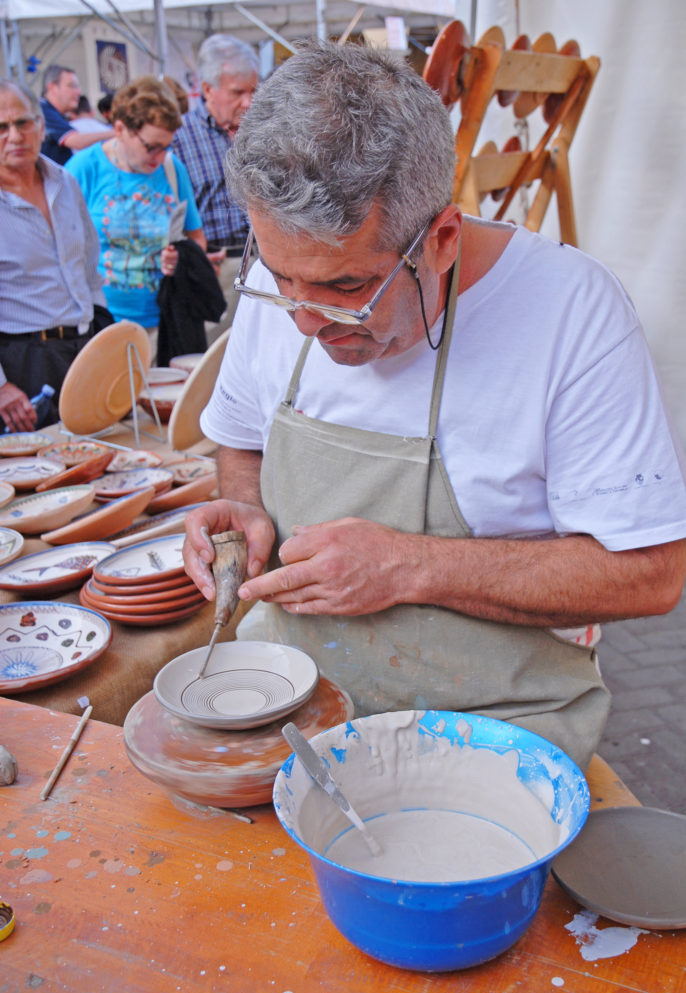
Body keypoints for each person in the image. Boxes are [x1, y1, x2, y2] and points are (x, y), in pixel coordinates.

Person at [182, 41, 686, 771]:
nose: (304, 321)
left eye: (349, 290)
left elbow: (652, 573)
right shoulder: (291, 279)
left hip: (493, 735)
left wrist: (413, 567)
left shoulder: (571, 312)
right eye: (283, 281)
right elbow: (238, 441)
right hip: (292, 705)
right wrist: (246, 509)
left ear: (442, 238)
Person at [66, 76, 205, 359]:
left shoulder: (170, 168)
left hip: (165, 323)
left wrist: (182, 258)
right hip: (103, 326)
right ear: (120, 129)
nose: (159, 156)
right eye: (150, 147)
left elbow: (197, 239)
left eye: (166, 146)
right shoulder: (83, 169)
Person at [0, 78, 110, 431]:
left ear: (41, 124)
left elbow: (90, 269)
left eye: (22, 123)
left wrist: (100, 335)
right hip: (23, 361)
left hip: (81, 349)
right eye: (1, 127)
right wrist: (0, 386)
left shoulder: (65, 182)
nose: (15, 136)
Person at [171, 34, 258, 326]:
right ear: (207, 89)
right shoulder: (179, 138)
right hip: (216, 268)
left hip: (266, 264)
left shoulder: (263, 131)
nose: (248, 102)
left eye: (253, 91)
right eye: (237, 92)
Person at [40, 65, 113, 165]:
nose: (78, 92)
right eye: (72, 86)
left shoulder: (52, 112)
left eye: (78, 87)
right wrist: (115, 132)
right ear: (52, 87)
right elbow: (76, 141)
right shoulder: (42, 110)